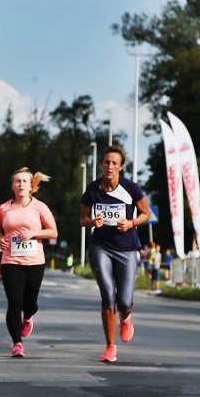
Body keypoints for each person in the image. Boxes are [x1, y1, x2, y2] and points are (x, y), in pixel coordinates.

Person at [79, 145, 151, 364]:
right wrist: (93, 221)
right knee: (108, 295)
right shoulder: (92, 190)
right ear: (101, 165)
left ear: (120, 167)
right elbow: (82, 220)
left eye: (114, 163)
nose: (109, 166)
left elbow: (146, 214)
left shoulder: (131, 188)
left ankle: (126, 316)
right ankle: (110, 346)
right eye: (106, 162)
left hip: (127, 249)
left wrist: (131, 223)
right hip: (101, 247)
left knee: (124, 299)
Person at [0, 168, 58, 357]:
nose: (21, 184)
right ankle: (17, 344)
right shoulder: (3, 209)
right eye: (17, 181)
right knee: (14, 302)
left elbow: (53, 232)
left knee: (30, 302)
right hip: (11, 260)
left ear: (31, 187)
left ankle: (28, 316)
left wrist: (33, 233)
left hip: (34, 261)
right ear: (12, 185)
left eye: (24, 181)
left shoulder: (39, 207)